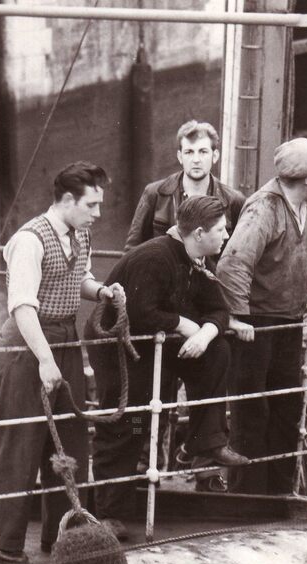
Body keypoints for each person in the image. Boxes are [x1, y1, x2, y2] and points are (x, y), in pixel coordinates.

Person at [0, 161, 125, 564]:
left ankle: (63, 536)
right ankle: (5, 542)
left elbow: (77, 277)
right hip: (27, 345)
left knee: (70, 441)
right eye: (92, 205)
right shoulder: (29, 241)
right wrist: (45, 360)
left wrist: (101, 292)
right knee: (20, 445)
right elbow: (22, 307)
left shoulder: (80, 234)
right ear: (67, 200)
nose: (98, 213)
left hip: (65, 337)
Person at [90, 196, 249, 539]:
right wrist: (184, 324)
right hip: (123, 352)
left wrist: (205, 333)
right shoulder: (155, 258)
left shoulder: (197, 258)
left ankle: (203, 442)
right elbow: (139, 312)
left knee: (217, 351)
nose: (227, 235)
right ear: (200, 233)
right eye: (221, 230)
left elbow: (218, 309)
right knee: (128, 423)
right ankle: (108, 512)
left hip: (157, 345)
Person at [215, 137, 307, 495]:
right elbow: (232, 265)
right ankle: (248, 496)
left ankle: (280, 492)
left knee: (287, 407)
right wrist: (237, 317)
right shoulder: (264, 209)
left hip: (289, 322)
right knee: (252, 412)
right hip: (256, 327)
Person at [124, 120, 245, 251]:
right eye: (189, 152)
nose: (196, 160)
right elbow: (132, 251)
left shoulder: (233, 201)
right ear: (180, 156)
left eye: (203, 152)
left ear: (215, 156)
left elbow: (240, 253)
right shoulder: (155, 194)